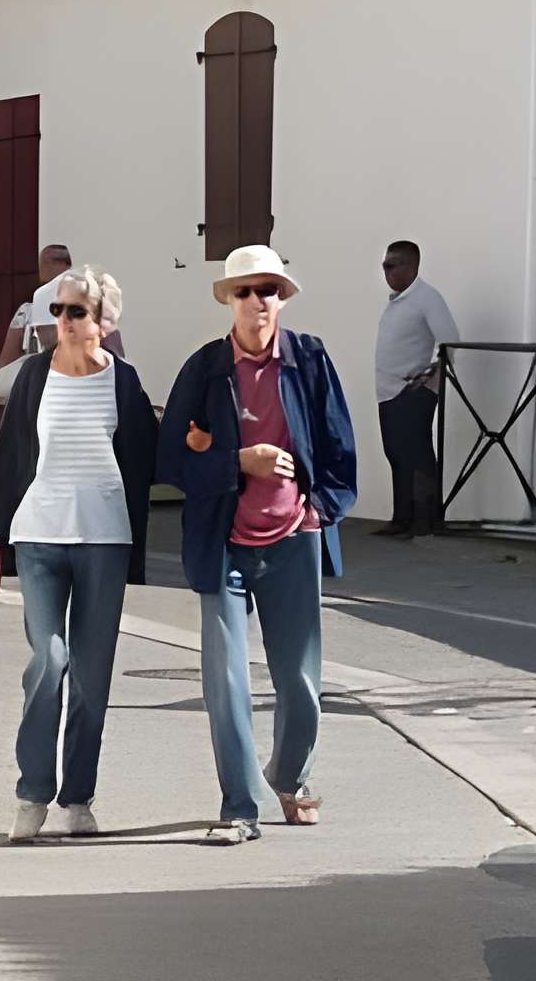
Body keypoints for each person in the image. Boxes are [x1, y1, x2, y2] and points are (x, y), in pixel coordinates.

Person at [158, 244, 357, 845]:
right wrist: (236, 461)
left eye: (266, 290)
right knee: (227, 682)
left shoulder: (311, 359)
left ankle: (290, 777)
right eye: (243, 291)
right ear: (228, 300)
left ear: (281, 297)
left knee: (299, 680)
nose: (256, 301)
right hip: (225, 544)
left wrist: (319, 510)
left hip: (294, 538)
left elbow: (339, 447)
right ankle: (239, 806)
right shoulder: (204, 368)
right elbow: (168, 458)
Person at [0, 265, 158, 843]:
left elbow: (147, 461)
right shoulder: (32, 375)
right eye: (55, 310)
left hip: (105, 537)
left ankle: (78, 798)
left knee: (91, 674)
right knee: (48, 661)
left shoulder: (123, 382)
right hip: (38, 534)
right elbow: (8, 459)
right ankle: (33, 792)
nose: (60, 321)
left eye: (73, 311)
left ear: (102, 319)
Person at [372, 238, 460, 538]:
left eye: (391, 265)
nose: (386, 272)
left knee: (417, 454)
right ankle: (402, 518)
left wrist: (429, 380)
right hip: (388, 391)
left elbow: (450, 341)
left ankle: (425, 520)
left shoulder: (426, 298)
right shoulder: (398, 301)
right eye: (384, 266)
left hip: (411, 391)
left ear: (411, 266)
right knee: (396, 453)